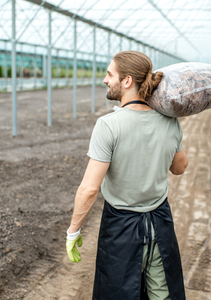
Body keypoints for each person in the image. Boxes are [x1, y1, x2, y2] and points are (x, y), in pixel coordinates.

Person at [66, 51, 188, 300]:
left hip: (120, 228)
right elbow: (179, 168)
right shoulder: (170, 121)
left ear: (127, 81)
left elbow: (89, 189)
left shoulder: (108, 125)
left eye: (110, 74)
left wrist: (73, 231)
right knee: (163, 294)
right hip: (160, 224)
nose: (105, 80)